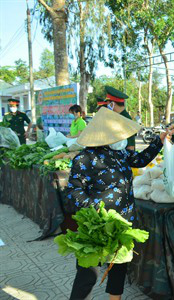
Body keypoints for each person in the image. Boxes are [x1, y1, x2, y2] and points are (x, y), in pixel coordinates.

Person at [67, 107, 168, 300]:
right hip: (96, 225)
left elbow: (139, 160)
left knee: (118, 266)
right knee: (88, 273)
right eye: (118, 135)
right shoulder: (85, 158)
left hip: (121, 223)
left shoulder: (120, 153)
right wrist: (96, 210)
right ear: (104, 136)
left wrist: (159, 141)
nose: (122, 139)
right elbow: (74, 191)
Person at [104, 86, 136, 151]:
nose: (107, 106)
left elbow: (131, 147)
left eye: (108, 103)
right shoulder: (116, 117)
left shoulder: (126, 119)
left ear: (113, 104)